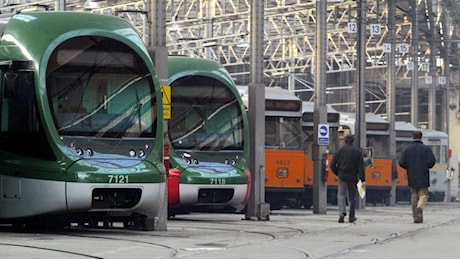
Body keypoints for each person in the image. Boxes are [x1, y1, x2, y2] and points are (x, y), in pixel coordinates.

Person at [398, 130, 436, 223]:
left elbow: (401, 162)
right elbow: (432, 161)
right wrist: (425, 166)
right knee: (424, 195)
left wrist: (409, 167)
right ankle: (420, 207)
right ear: (421, 138)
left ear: (413, 137)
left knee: (414, 196)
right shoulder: (426, 149)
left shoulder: (407, 149)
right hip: (423, 174)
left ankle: (416, 217)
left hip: (411, 174)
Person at [331, 135, 366, 223]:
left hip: (342, 176)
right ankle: (351, 216)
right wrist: (362, 179)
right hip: (353, 177)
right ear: (353, 141)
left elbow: (332, 165)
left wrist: (338, 173)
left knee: (341, 195)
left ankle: (342, 213)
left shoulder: (339, 151)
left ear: (344, 141)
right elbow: (361, 167)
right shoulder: (357, 152)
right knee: (352, 197)